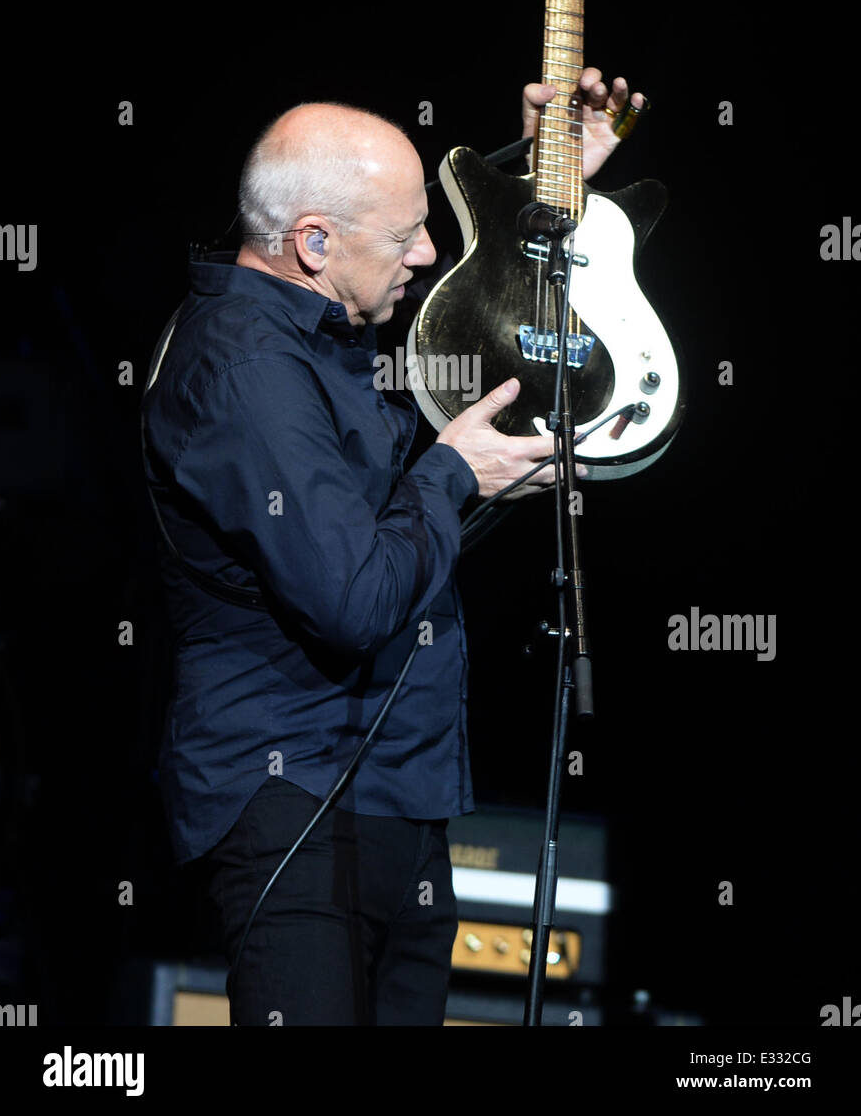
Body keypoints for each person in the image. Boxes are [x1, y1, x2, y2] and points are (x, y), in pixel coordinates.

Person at [142, 70, 646, 1026]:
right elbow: (354, 597)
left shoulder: (326, 332)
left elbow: (393, 539)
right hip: (295, 800)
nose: (427, 251)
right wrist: (454, 472)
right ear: (313, 241)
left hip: (391, 794)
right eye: (405, 234)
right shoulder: (246, 365)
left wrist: (549, 182)